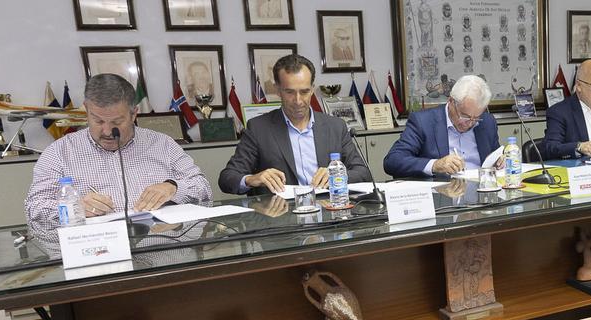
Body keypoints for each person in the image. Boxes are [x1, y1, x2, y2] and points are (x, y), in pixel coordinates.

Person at [25, 74, 211, 227]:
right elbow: (34, 208)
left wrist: (173, 187)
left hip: (165, 248)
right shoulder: (59, 152)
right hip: (98, 254)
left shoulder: (163, 144)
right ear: (87, 111)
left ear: (134, 113)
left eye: (116, 122)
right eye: (98, 121)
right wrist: (76, 207)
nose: (107, 131)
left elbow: (203, 188)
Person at [219, 54, 371, 196]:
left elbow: (363, 173)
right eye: (290, 92)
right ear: (278, 90)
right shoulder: (259, 128)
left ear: (312, 89)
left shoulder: (335, 127)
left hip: (329, 211)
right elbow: (227, 178)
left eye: (304, 92)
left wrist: (339, 175)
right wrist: (251, 179)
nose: (298, 101)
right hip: (281, 217)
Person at [384, 75, 500, 179]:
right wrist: (435, 165)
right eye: (465, 116)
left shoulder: (487, 122)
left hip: (481, 195)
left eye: (476, 118)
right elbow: (393, 161)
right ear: (451, 102)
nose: (470, 123)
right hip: (442, 196)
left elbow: (494, 157)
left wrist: (500, 161)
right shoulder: (423, 122)